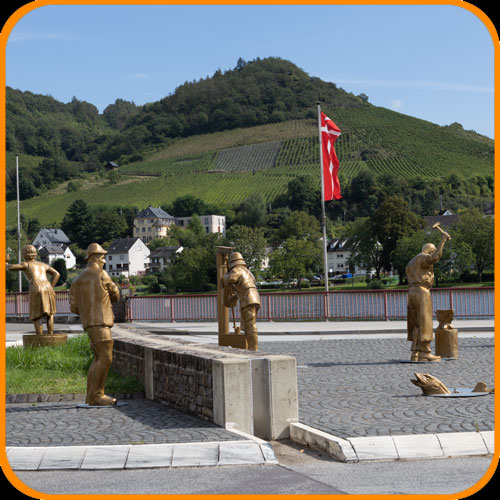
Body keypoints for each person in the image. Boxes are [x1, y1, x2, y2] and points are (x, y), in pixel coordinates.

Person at [70, 243, 120, 405]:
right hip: (101, 321)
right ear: (94, 257)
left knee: (98, 357)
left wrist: (87, 312)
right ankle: (97, 396)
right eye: (102, 257)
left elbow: (73, 307)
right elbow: (116, 295)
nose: (104, 261)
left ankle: (91, 396)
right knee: (105, 357)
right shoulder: (101, 274)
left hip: (89, 323)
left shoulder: (77, 280)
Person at [406, 232, 450, 361]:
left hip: (411, 291)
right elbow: (434, 258)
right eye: (433, 251)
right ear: (430, 251)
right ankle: (425, 351)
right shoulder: (422, 257)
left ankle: (415, 352)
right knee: (425, 321)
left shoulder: (411, 262)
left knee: (416, 322)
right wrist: (443, 241)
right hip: (422, 290)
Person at [7, 245, 60, 335]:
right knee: (50, 314)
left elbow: (9, 267)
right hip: (47, 286)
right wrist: (51, 287)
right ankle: (50, 335)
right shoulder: (43, 265)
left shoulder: (26, 264)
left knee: (37, 315)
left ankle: (39, 337)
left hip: (36, 286)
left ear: (25, 255)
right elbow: (57, 274)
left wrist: (6, 261)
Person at [223, 252, 261, 351]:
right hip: (253, 297)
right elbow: (245, 287)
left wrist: (225, 275)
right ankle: (251, 347)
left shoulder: (237, 269)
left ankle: (253, 349)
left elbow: (231, 278)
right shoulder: (248, 272)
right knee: (248, 325)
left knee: (250, 325)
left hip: (248, 298)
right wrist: (234, 298)